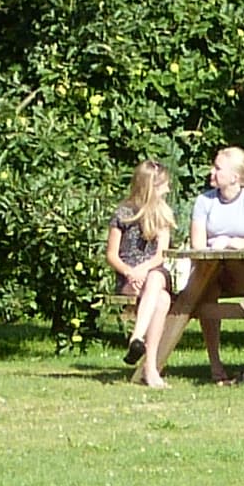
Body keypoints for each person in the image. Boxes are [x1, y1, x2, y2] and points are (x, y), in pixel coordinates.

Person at [156, 147, 244, 382]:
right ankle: (214, 365)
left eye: (218, 168)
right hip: (209, 271)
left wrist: (234, 243)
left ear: (235, 176)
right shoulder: (204, 201)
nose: (212, 171)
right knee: (205, 290)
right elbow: (198, 244)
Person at [104, 162, 178, 387]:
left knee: (155, 279)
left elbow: (159, 255)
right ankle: (151, 368)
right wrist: (129, 272)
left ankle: (136, 337)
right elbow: (112, 255)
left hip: (153, 272)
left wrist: (142, 270)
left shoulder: (163, 214)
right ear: (150, 187)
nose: (167, 190)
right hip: (130, 278)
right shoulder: (123, 213)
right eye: (163, 185)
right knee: (162, 300)